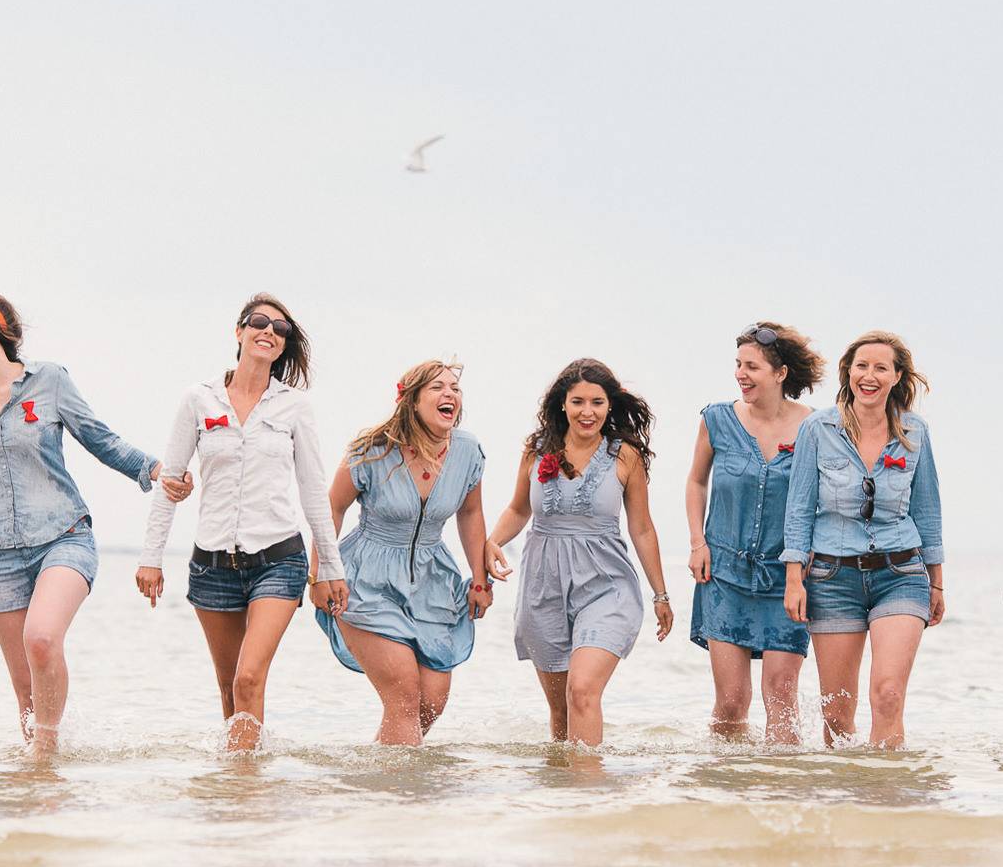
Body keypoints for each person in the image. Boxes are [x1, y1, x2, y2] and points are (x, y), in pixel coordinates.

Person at [0, 294, 183, 757]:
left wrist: (153, 469)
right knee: (25, 690)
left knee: (43, 639)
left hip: (64, 538)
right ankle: (42, 781)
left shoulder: (48, 380)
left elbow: (98, 437)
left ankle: (47, 753)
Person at [137, 295, 348, 752]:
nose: (269, 332)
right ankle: (238, 797)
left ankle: (248, 787)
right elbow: (170, 482)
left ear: (284, 345)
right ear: (239, 332)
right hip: (212, 566)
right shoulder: (198, 399)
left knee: (250, 677)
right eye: (259, 322)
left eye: (281, 329)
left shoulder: (294, 407)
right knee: (230, 689)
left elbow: (314, 492)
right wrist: (151, 558)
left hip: (278, 561)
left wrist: (331, 567)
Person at [485, 359, 672, 745]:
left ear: (610, 406)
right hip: (544, 586)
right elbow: (519, 509)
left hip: (606, 586)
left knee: (583, 691)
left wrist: (661, 594)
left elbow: (642, 527)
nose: (588, 412)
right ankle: (567, 795)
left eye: (598, 402)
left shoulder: (625, 456)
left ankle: (590, 788)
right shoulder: (537, 450)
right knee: (560, 710)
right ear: (563, 405)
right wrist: (492, 542)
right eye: (578, 402)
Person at [782, 331, 943, 749]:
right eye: (861, 366)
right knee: (836, 712)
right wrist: (794, 579)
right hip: (832, 577)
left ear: (896, 376)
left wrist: (937, 581)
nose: (869, 376)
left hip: (901, 572)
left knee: (887, 695)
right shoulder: (818, 428)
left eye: (880, 368)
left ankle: (887, 800)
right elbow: (799, 508)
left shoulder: (915, 430)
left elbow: (927, 510)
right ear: (848, 373)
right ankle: (847, 803)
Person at [316, 361, 489, 746]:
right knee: (404, 695)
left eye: (455, 388)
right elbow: (332, 508)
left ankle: (382, 776)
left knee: (432, 702)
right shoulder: (371, 451)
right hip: (366, 578)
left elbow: (471, 513)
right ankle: (403, 795)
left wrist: (480, 579)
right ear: (411, 401)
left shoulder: (467, 451)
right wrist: (321, 572)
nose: (450, 395)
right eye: (437, 388)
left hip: (433, 580)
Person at [685, 323, 824, 744]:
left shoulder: (815, 429)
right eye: (738, 365)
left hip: (788, 579)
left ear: (780, 373)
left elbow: (822, 499)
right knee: (731, 702)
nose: (741, 375)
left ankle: (780, 792)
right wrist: (697, 542)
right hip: (723, 573)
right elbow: (695, 482)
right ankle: (728, 794)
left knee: (781, 696)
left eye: (753, 367)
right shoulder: (717, 420)